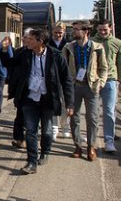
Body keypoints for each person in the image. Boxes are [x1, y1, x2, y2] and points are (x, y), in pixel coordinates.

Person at [8, 29, 73, 174]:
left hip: (48, 99)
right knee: (31, 130)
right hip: (29, 98)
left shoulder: (56, 55)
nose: (27, 41)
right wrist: (5, 50)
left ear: (40, 41)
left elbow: (67, 80)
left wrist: (70, 103)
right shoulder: (25, 54)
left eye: (30, 39)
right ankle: (31, 162)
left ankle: (45, 152)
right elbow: (10, 63)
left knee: (47, 131)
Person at [61, 20, 108, 161]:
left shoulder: (97, 47)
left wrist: (101, 82)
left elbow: (103, 68)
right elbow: (63, 68)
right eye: (73, 29)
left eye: (77, 29)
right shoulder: (68, 47)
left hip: (91, 86)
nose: (73, 31)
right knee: (74, 117)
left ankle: (91, 147)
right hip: (74, 86)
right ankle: (78, 146)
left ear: (86, 31)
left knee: (92, 118)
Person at [92, 19, 121, 153]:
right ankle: (92, 140)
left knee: (109, 112)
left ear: (110, 28)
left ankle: (109, 141)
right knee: (93, 112)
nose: (102, 32)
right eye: (100, 29)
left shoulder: (118, 43)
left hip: (111, 80)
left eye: (105, 29)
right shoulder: (91, 42)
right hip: (94, 80)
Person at [7, 28, 33, 149]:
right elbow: (10, 63)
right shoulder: (20, 52)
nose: (23, 38)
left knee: (28, 117)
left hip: (33, 90)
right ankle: (19, 139)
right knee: (20, 115)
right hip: (20, 89)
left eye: (26, 37)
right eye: (23, 36)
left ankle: (26, 140)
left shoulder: (38, 52)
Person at [46, 21, 70, 139]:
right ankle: (54, 127)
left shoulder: (68, 45)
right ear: (52, 32)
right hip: (52, 77)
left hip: (64, 77)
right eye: (55, 32)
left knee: (66, 103)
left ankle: (65, 126)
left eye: (60, 33)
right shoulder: (47, 44)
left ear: (64, 32)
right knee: (54, 102)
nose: (58, 35)